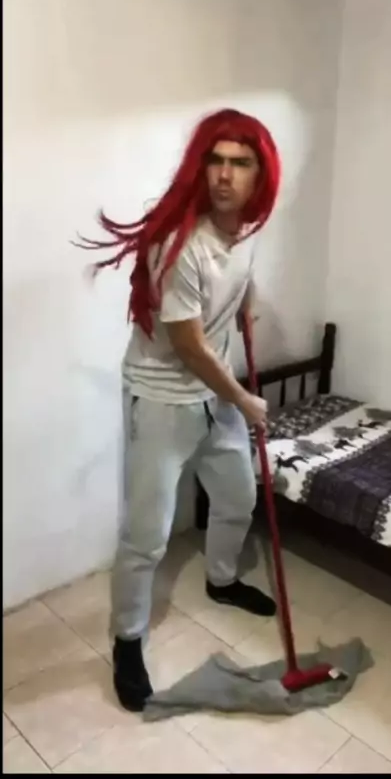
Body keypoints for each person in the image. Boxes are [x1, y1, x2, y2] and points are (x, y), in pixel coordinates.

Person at [75, 108, 281, 712]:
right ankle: (127, 639)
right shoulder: (182, 244)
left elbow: (237, 280)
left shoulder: (246, 229)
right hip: (163, 396)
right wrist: (244, 399)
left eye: (240, 163)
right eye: (215, 161)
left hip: (214, 395)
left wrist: (245, 305)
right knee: (147, 535)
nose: (225, 175)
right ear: (200, 167)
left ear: (260, 174)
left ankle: (222, 579)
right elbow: (188, 346)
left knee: (237, 497)